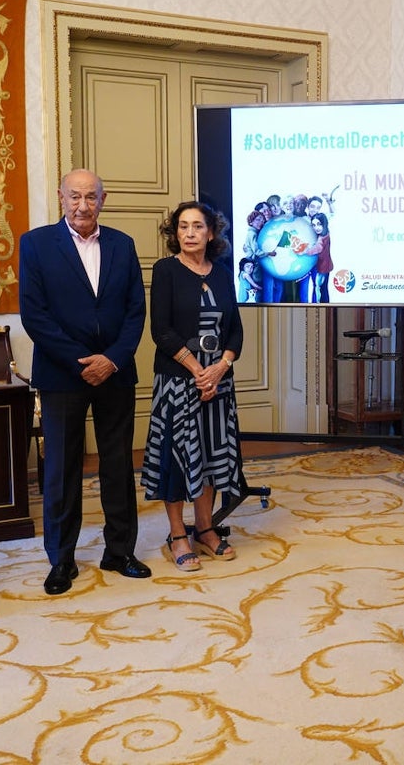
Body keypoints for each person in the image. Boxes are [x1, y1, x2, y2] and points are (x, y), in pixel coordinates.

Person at [18, 169, 150, 596]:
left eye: (90, 197)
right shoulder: (36, 244)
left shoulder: (122, 244)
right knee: (61, 468)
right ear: (60, 197)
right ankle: (61, 559)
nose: (82, 205)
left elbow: (135, 312)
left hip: (115, 372)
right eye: (74, 196)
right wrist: (82, 364)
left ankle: (120, 551)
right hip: (62, 375)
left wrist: (111, 359)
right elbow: (35, 316)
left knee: (117, 464)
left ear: (103, 199)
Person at [142, 201, 244, 571]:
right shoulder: (166, 270)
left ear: (211, 233)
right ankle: (176, 535)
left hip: (218, 384)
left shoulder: (221, 272)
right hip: (178, 383)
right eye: (182, 226)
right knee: (176, 458)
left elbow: (235, 328)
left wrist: (220, 368)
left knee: (213, 457)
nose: (188, 233)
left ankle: (204, 528)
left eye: (197, 226)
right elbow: (161, 331)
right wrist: (198, 370)